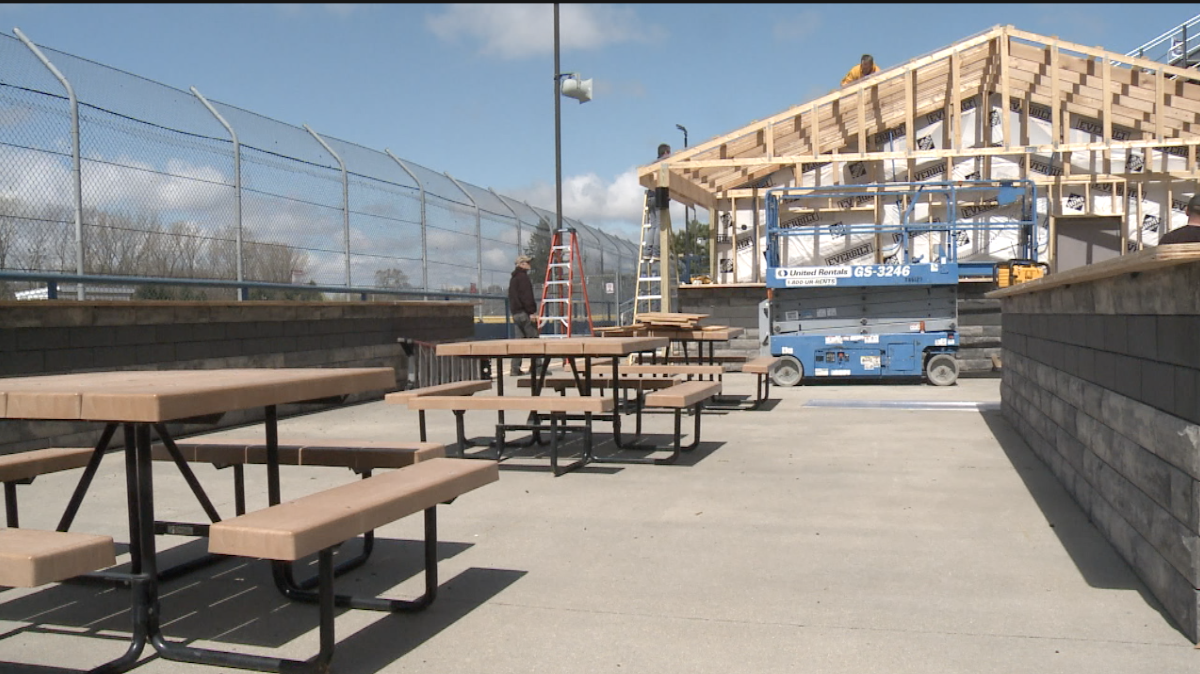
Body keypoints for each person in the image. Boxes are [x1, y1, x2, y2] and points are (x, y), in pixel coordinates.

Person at [507, 254, 539, 376]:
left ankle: (515, 369)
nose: (529, 264)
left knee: (519, 343)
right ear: (521, 264)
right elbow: (527, 296)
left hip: (516, 313)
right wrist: (531, 312)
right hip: (525, 313)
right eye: (527, 262)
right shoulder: (523, 278)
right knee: (534, 340)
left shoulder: (513, 279)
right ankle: (537, 367)